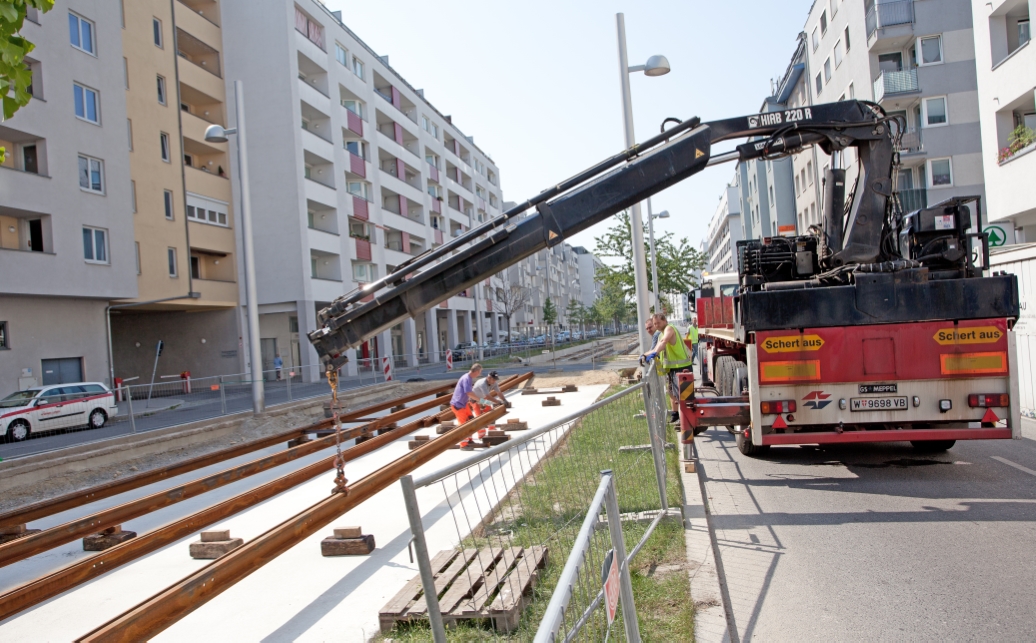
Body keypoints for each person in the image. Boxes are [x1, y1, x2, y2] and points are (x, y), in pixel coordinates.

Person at [642, 312, 693, 423]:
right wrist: (644, 355)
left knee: (683, 397)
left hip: (682, 368)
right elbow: (656, 348)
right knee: (675, 394)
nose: (656, 326)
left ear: (664, 321)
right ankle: (682, 420)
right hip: (673, 369)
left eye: (658, 323)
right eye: (655, 324)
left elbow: (664, 342)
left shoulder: (669, 329)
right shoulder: (661, 334)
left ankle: (688, 422)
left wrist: (654, 353)